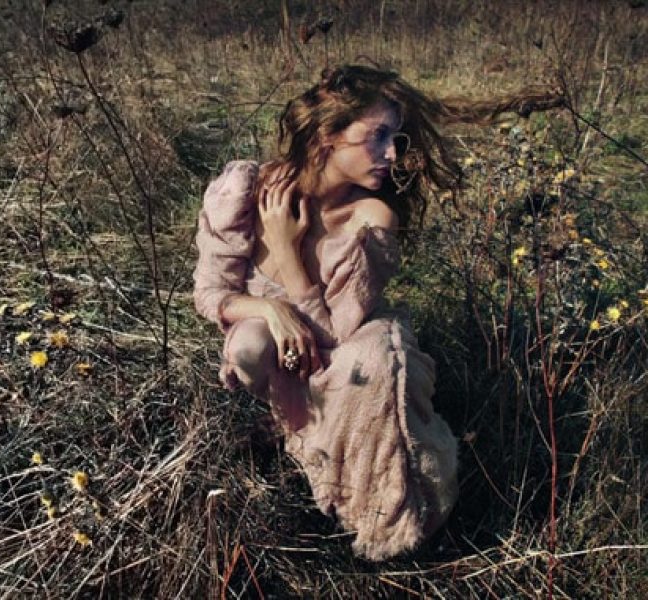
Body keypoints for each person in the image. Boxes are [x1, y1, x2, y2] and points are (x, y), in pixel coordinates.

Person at [192, 64, 559, 561]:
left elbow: (336, 333)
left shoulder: (372, 218)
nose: (392, 154)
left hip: (347, 348)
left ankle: (390, 520)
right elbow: (212, 292)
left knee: (377, 362)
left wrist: (285, 255)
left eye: (397, 138)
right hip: (276, 364)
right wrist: (267, 306)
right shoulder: (245, 190)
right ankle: (289, 429)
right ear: (328, 135)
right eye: (377, 136)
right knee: (253, 340)